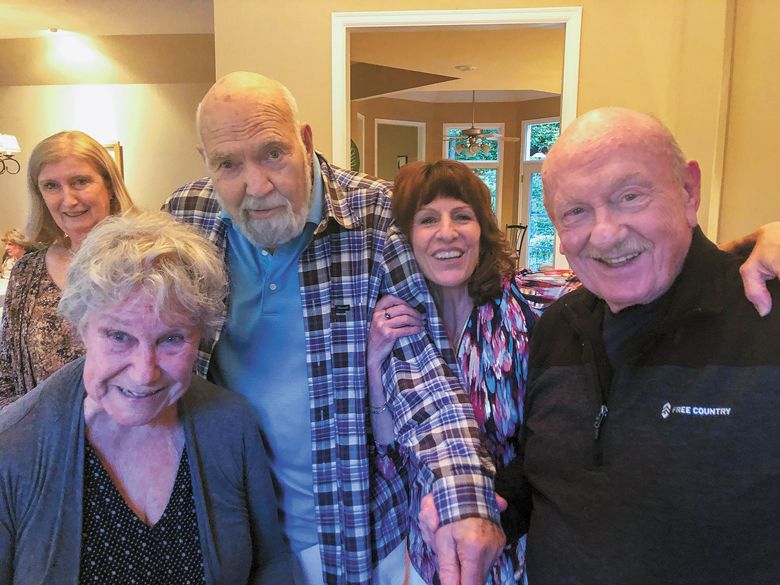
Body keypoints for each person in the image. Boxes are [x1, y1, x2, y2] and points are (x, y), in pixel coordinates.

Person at [163, 71, 504, 584]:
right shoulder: (186, 215)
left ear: (305, 141)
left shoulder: (377, 215)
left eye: (272, 153)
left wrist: (463, 496)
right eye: (228, 164)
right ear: (205, 161)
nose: (256, 186)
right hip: (234, 529)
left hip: (352, 533)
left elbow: (423, 374)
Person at [485, 108, 780, 583]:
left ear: (688, 191)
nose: (605, 234)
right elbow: (554, 469)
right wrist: (491, 509)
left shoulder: (765, 312)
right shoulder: (558, 326)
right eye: (576, 211)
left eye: (629, 196)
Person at [0, 211, 293, 584]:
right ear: (80, 328)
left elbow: (269, 564)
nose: (144, 373)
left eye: (171, 339)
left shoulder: (231, 424)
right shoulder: (12, 448)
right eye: (119, 337)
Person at [366, 160, 579, 584]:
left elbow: (622, 277)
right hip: (433, 547)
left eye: (462, 215)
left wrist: (744, 248)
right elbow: (391, 455)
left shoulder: (530, 302)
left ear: (483, 229)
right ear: (407, 238)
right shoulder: (396, 326)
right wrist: (374, 363)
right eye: (428, 219)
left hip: (521, 539)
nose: (447, 233)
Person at [0, 131, 135, 406]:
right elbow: (6, 372)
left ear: (109, 186)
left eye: (80, 181)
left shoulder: (148, 263)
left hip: (136, 437)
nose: (69, 199)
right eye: (51, 186)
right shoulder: (27, 272)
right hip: (44, 438)